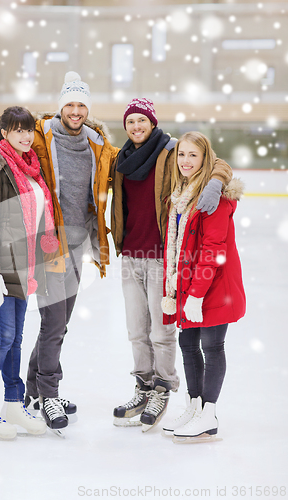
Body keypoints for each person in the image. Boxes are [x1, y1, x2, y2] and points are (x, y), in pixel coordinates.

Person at [0, 73, 119, 434]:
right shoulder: (39, 138)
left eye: (81, 104)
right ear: (59, 107)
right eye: (69, 103)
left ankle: (30, 393)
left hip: (74, 243)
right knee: (43, 326)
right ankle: (44, 394)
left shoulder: (98, 145)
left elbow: (139, 160)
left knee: (56, 323)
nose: (75, 110)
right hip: (44, 248)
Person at [110, 99, 233, 432]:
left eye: (142, 120)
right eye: (131, 121)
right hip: (130, 254)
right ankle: (143, 387)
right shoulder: (119, 158)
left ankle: (163, 389)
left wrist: (215, 182)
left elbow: (214, 161)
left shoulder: (171, 151)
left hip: (162, 254)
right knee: (136, 330)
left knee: (161, 332)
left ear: (153, 122)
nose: (136, 126)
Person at [0, 106, 59, 439]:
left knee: (16, 340)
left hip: (24, 266)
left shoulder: (31, 168)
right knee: (3, 337)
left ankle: (12, 404)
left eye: (29, 130)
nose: (25, 136)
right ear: (3, 132)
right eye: (17, 130)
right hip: (1, 266)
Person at [161, 131, 246, 442]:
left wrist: (196, 294)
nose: (185, 161)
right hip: (190, 284)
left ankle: (209, 414)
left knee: (211, 347)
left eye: (193, 155)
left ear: (205, 158)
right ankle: (194, 406)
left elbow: (213, 249)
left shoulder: (216, 197)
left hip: (214, 286)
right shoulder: (181, 193)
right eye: (182, 154)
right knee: (187, 345)